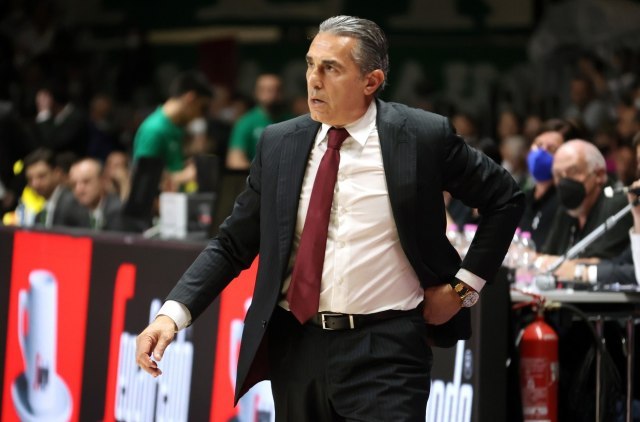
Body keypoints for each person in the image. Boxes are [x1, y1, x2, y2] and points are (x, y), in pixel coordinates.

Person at [135, 16, 524, 420]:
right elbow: (232, 244)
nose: (313, 80)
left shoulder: (421, 137)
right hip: (296, 347)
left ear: (371, 81)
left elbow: (505, 198)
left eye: (330, 68)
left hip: (386, 349)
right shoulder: (279, 144)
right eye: (310, 64)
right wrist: (171, 316)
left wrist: (463, 290)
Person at [538, 140, 632, 273]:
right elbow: (546, 255)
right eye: (558, 175)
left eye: (573, 171)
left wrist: (546, 262)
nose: (564, 181)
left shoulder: (618, 204)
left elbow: (600, 265)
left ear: (599, 174)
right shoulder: (567, 208)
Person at [132, 70, 213, 191]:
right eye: (203, 108)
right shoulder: (154, 129)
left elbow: (168, 168)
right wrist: (183, 176)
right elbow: (143, 179)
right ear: (190, 98)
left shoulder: (175, 128)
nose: (200, 116)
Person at [519, 118, 584, 249]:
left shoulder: (567, 204)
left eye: (551, 149)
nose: (540, 153)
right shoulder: (522, 199)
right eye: (538, 145)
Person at [226, 73, 292, 170]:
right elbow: (235, 160)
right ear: (256, 93)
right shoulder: (245, 122)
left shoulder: (293, 122)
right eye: (265, 90)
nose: (271, 95)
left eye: (276, 90)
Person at [19, 148, 82, 228]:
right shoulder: (41, 213)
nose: (35, 184)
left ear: (57, 173)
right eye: (30, 179)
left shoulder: (72, 203)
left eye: (41, 176)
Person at [67, 157, 122, 230]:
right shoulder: (73, 212)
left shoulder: (119, 212)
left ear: (103, 180)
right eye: (74, 185)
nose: (78, 190)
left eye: (86, 182)